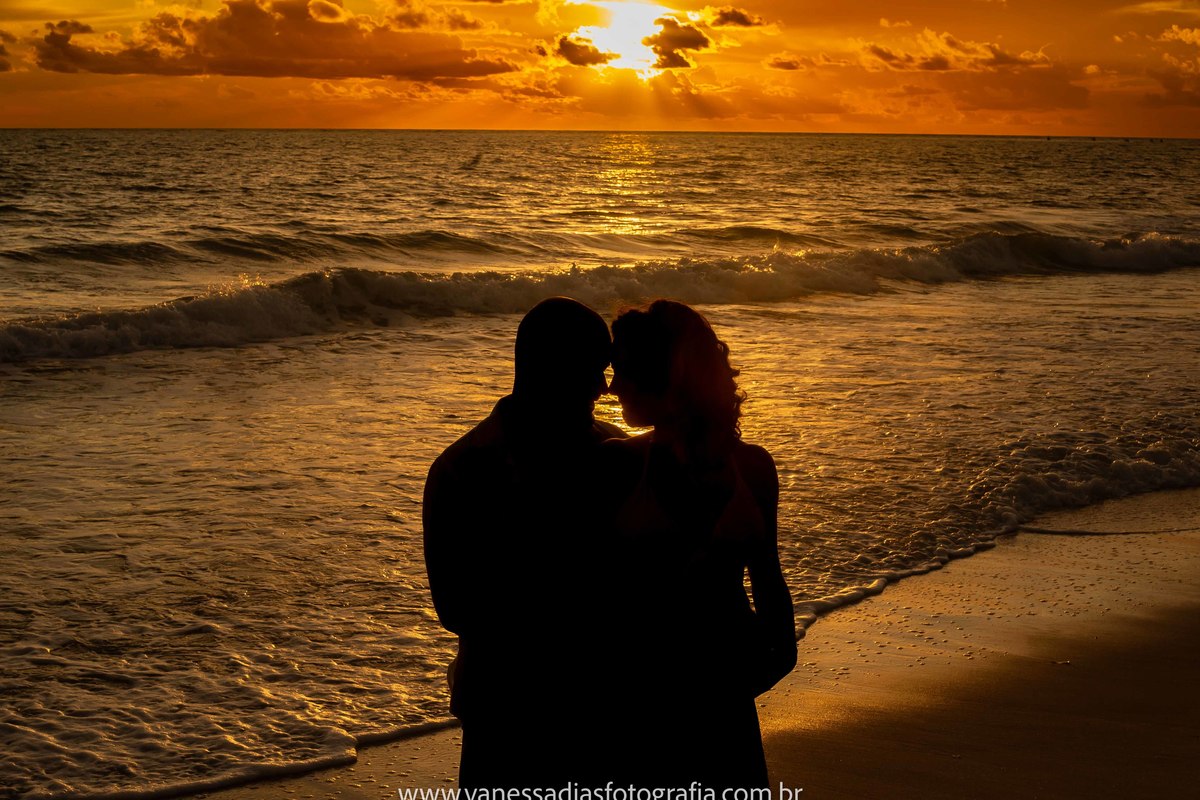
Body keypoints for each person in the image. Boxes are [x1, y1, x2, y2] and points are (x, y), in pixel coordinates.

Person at [422, 297, 626, 789]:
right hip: (507, 705)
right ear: (551, 366)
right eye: (593, 370)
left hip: (600, 699)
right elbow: (455, 608)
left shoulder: (615, 449)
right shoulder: (466, 468)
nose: (603, 387)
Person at [602, 299, 797, 790]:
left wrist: (753, 676)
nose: (613, 385)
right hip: (644, 707)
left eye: (624, 370)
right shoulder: (614, 466)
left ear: (666, 377)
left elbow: (773, 597)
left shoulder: (752, 468)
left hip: (721, 706)